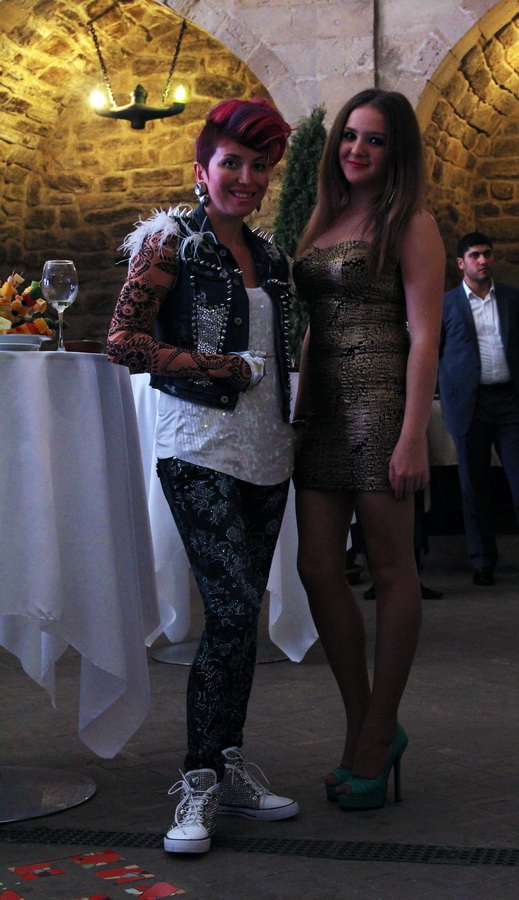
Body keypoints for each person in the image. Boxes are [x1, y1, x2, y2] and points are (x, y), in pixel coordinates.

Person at [106, 97, 299, 856]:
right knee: (229, 607)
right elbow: (123, 340)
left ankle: (228, 764)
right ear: (202, 169)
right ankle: (197, 782)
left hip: (268, 449)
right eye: (232, 163)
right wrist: (217, 365)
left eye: (259, 166)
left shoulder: (273, 257)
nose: (246, 177)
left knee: (240, 617)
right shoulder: (168, 241)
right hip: (196, 444)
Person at [292, 88, 445, 811]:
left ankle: (378, 731)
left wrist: (413, 434)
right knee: (317, 568)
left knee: (390, 569)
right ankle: (366, 724)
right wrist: (298, 403)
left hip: (382, 407)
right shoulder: (324, 218)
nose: (357, 148)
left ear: (396, 151)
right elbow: (315, 322)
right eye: (351, 135)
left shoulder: (410, 221)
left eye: (375, 139)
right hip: (321, 412)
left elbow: (426, 336)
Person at [438, 232, 519, 595]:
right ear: (461, 263)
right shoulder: (446, 304)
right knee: (473, 486)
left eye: (487, 254)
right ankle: (482, 562)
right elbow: (436, 352)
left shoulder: (512, 297)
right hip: (469, 405)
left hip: (509, 402)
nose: (483, 260)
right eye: (475, 255)